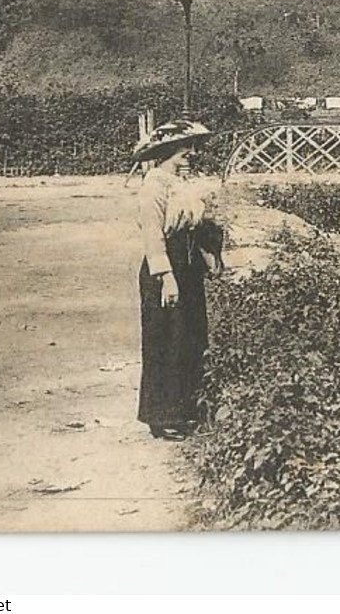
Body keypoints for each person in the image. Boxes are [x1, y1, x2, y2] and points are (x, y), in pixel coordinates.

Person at [131, 119, 216, 439]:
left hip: (189, 266)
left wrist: (209, 255)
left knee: (190, 338)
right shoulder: (154, 185)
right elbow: (153, 235)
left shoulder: (183, 184)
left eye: (191, 149)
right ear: (166, 153)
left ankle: (187, 411)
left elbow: (196, 226)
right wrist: (167, 277)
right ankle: (161, 416)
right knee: (164, 340)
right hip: (165, 269)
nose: (190, 155)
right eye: (183, 151)